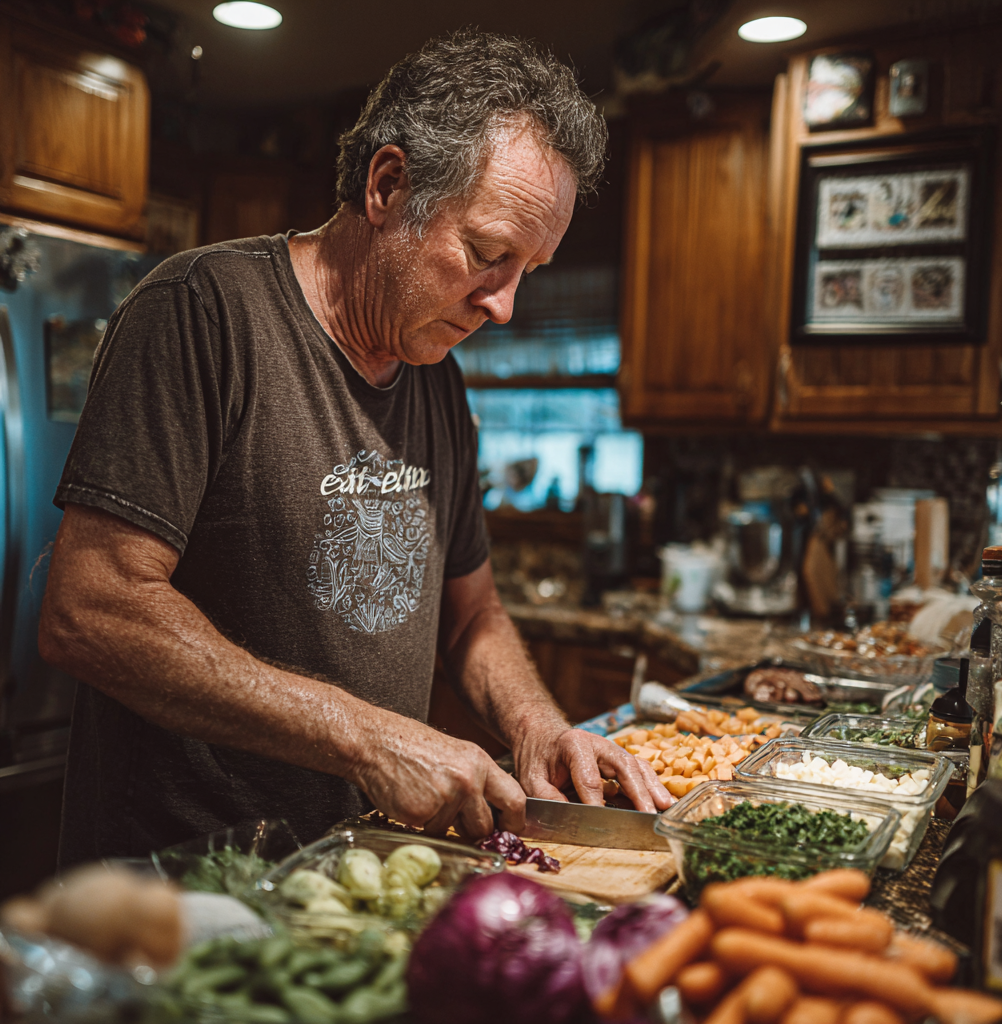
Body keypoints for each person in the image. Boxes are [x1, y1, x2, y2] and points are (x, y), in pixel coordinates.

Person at [39, 28, 672, 866]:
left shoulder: (435, 370)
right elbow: (91, 608)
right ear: (388, 185)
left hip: (353, 873)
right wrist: (366, 737)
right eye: (488, 255)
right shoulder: (203, 312)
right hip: (183, 887)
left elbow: (471, 612)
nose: (506, 305)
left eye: (530, 270)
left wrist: (537, 724)